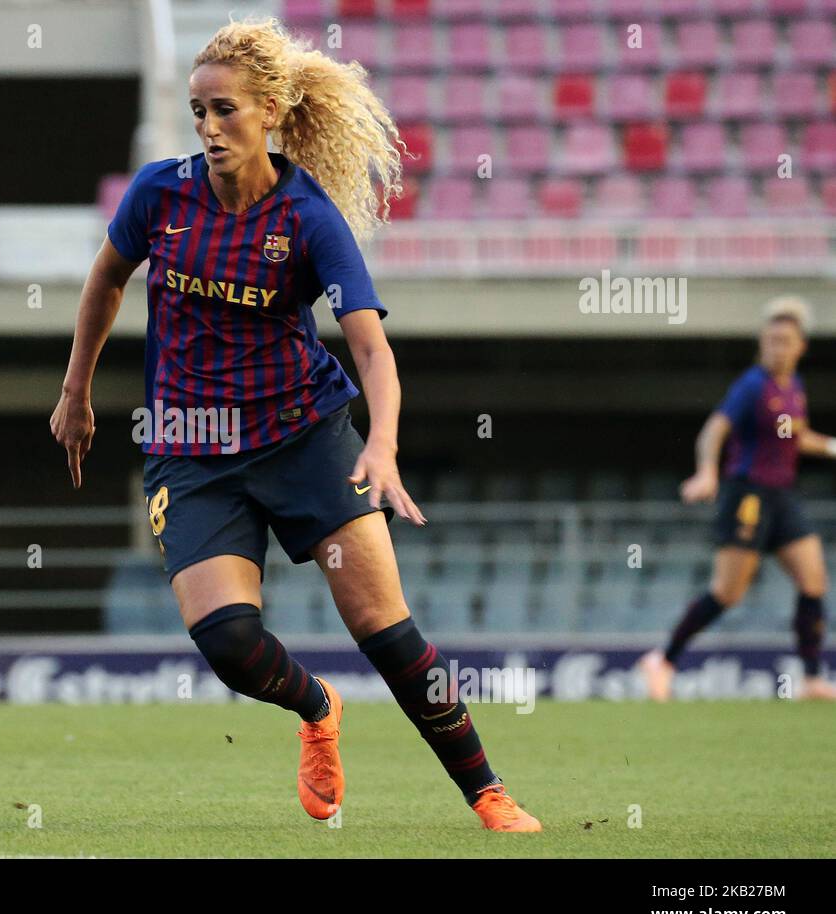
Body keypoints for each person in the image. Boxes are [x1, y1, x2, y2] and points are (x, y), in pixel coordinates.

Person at [50, 17, 540, 831]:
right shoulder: (157, 194)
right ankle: (318, 708)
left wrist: (379, 444)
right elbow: (105, 280)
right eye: (198, 110)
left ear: (271, 110)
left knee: (386, 630)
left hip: (305, 437)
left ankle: (489, 792)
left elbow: (373, 353)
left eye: (226, 110)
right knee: (229, 640)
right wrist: (75, 391)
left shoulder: (309, 219)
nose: (208, 127)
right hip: (192, 446)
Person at [642, 296, 836, 701]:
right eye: (770, 341)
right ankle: (663, 660)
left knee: (813, 579)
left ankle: (813, 679)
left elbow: (795, 436)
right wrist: (708, 471)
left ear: (800, 346)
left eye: (785, 341)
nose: (776, 348)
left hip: (782, 495)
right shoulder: (752, 385)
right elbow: (714, 430)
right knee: (728, 592)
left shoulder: (793, 388)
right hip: (747, 493)